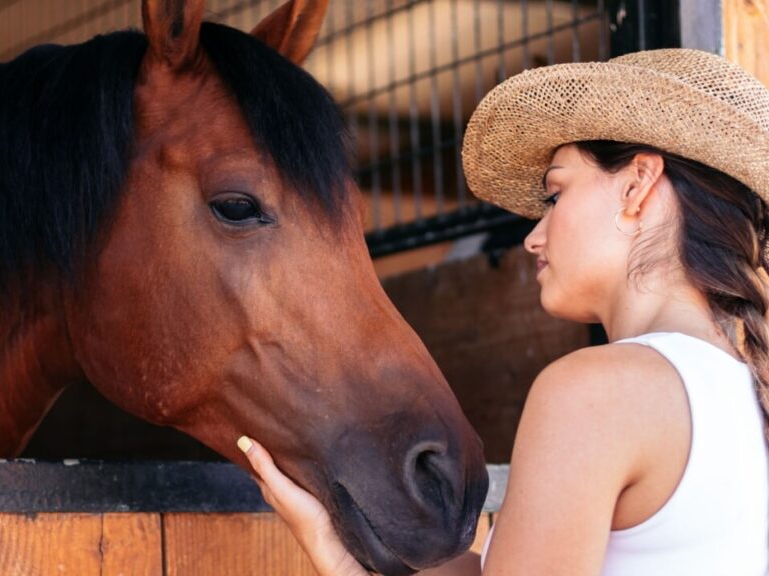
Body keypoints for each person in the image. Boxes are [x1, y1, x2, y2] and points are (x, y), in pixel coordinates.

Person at [236, 48, 769, 575]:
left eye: (555, 194)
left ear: (637, 186)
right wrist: (336, 551)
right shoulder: (744, 393)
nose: (534, 238)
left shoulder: (597, 392)